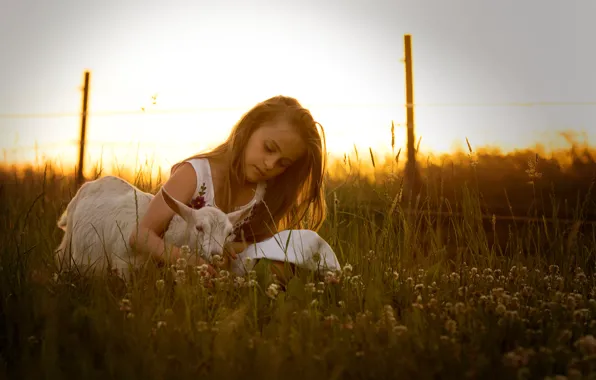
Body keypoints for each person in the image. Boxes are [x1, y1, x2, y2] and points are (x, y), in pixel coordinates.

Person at [128, 95, 327, 282]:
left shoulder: (266, 192)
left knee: (303, 243)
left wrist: (229, 248)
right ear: (249, 128)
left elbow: (266, 246)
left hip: (227, 270)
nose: (270, 164)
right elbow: (140, 236)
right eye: (269, 147)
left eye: (282, 163)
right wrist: (188, 262)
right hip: (174, 266)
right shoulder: (194, 174)